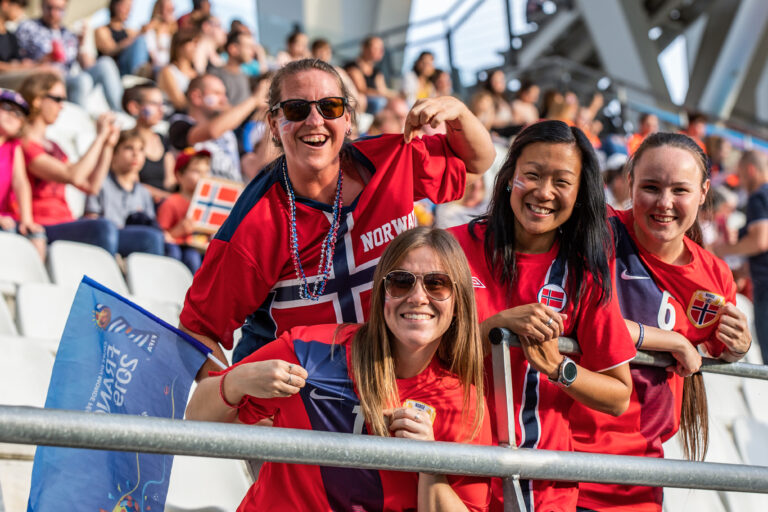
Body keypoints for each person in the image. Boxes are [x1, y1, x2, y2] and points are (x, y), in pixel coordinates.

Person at [178, 58, 495, 377]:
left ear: (348, 120)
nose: (314, 120)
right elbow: (196, 329)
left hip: (385, 378)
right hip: (300, 401)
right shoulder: (255, 222)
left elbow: (475, 164)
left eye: (329, 107)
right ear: (274, 124)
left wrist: (458, 112)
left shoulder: (390, 161)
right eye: (296, 109)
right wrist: (238, 404)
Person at [186, 226, 491, 511]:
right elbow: (198, 418)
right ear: (382, 293)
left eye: (436, 284)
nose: (418, 297)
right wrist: (238, 379)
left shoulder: (463, 402)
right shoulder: (309, 351)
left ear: (458, 302)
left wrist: (430, 463)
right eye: (401, 282)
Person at [449, 120, 635, 511]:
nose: (544, 192)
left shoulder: (585, 272)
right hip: (452, 472)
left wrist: (558, 367)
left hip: (542, 484)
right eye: (531, 175)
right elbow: (415, 355)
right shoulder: (453, 248)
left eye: (562, 182)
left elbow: (619, 395)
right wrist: (494, 329)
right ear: (509, 177)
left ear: (581, 192)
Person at [572, 132, 752, 512]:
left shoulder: (715, 276)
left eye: (680, 190)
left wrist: (739, 345)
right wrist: (674, 341)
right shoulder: (598, 232)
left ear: (704, 192)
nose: (664, 203)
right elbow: (583, 321)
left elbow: (722, 348)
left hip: (641, 474)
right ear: (630, 182)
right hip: (565, 459)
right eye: (651, 187)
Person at [19, 71, 122, 253]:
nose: (62, 107)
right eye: (57, 99)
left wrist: (107, 146)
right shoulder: (25, 144)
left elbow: (91, 186)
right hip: (41, 225)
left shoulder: (54, 146)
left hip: (65, 221)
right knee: (103, 228)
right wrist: (99, 137)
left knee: (149, 237)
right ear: (37, 100)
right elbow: (73, 176)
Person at [16, 0, 124, 112]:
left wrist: (81, 46)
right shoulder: (28, 27)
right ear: (42, 6)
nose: (53, 13)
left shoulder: (69, 34)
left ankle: (120, 111)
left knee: (105, 63)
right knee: (82, 80)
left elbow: (87, 66)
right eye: (49, 8)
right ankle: (80, 121)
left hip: (68, 78)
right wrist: (44, 60)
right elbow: (18, 61)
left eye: (58, 9)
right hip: (44, 76)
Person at [714, 149, 768, 359]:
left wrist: (721, 250)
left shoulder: (759, 196)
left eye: (742, 175)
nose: (741, 182)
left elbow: (760, 241)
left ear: (751, 170)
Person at [84, 129, 165, 257]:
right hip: (107, 237)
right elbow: (91, 219)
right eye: (129, 148)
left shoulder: (143, 193)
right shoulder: (99, 183)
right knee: (151, 239)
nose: (136, 154)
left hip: (133, 242)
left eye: (141, 150)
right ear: (114, 153)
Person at [168, 73, 262, 183]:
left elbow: (253, 166)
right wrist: (255, 99)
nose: (224, 100)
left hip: (232, 196)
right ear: (197, 97)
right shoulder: (179, 123)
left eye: (224, 94)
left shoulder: (229, 132)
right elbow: (212, 132)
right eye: (217, 93)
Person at [0, 88, 45, 258]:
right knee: (7, 230)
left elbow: (20, 182)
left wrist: (27, 220)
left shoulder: (13, 147)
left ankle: (34, 283)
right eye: (7, 108)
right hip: (3, 221)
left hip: (6, 217)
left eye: (19, 114)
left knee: (36, 235)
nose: (13, 116)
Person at [157, 148, 211, 273]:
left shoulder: (208, 205)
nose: (203, 176)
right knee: (192, 258)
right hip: (181, 253)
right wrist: (178, 231)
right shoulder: (171, 202)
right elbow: (162, 236)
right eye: (196, 171)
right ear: (180, 175)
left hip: (203, 250)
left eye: (206, 171)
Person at [122, 83, 176, 203]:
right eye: (154, 104)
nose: (161, 110)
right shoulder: (124, 142)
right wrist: (169, 198)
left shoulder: (163, 140)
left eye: (162, 104)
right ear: (134, 107)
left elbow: (170, 181)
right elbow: (131, 183)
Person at [94, 0, 149, 76]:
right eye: (125, 6)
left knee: (142, 40)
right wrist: (134, 38)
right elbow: (110, 50)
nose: (128, 10)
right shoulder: (102, 30)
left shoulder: (130, 32)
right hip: (114, 70)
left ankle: (141, 73)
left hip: (129, 67)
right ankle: (139, 74)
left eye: (130, 7)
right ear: (115, 5)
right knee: (139, 40)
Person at [345, 35, 395, 114]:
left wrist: (397, 95)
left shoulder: (377, 71)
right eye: (376, 48)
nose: (381, 51)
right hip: (360, 101)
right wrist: (383, 94)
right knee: (379, 102)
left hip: (373, 101)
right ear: (364, 48)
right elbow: (362, 89)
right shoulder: (353, 67)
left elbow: (383, 90)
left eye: (381, 48)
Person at [210, 30, 257, 107]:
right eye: (248, 47)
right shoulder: (215, 76)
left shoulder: (244, 76)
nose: (253, 51)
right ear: (233, 49)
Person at [157, 28, 199, 111]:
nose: (196, 47)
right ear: (180, 45)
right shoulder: (168, 71)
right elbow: (180, 103)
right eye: (193, 42)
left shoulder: (196, 73)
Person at [143, 0, 177, 72]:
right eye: (167, 9)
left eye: (172, 9)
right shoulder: (151, 31)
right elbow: (153, 54)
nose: (171, 12)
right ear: (159, 10)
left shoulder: (175, 32)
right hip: (159, 67)